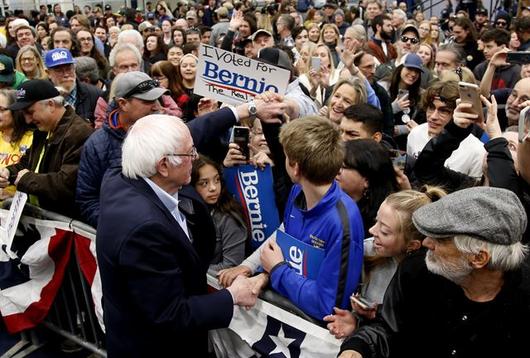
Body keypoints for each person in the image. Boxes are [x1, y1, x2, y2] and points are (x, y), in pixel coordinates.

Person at [97, 114, 257, 357]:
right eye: (190, 153)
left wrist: (238, 111)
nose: (195, 157)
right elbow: (170, 313)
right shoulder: (145, 229)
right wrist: (231, 296)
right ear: (163, 165)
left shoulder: (123, 175)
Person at [338, 186, 530, 358]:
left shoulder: (521, 302)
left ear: (478, 258)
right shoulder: (417, 270)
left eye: (441, 239)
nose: (426, 243)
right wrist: (358, 348)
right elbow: (387, 328)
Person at [219, 116, 365, 321]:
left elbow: (327, 305)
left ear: (295, 167)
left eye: (286, 156)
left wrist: (277, 271)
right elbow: (284, 248)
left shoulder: (342, 223)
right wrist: (259, 273)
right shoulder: (297, 191)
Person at [324, 187, 446, 339]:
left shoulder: (428, 280)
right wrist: (356, 319)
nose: (372, 230)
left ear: (412, 246)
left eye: (385, 232)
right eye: (376, 221)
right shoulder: (367, 250)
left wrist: (373, 318)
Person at [0, 80, 93, 216]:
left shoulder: (78, 133)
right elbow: (27, 165)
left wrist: (27, 179)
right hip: (43, 221)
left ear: (51, 105)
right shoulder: (42, 130)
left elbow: (67, 185)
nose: (27, 120)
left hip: (65, 225)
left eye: (30, 112)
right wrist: (7, 173)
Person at [191, 155, 247, 275]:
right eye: (204, 183)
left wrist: (191, 271)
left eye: (217, 180)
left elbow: (231, 266)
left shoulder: (228, 218)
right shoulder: (185, 212)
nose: (213, 188)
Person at [0, 89, 33, 199]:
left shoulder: (32, 138)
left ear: (16, 111)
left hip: (21, 207)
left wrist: (11, 196)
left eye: (1, 109)